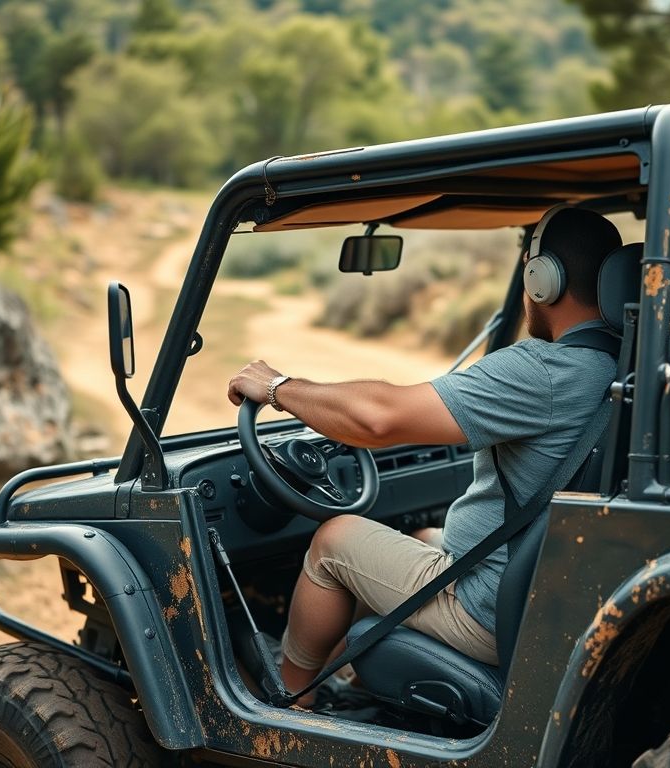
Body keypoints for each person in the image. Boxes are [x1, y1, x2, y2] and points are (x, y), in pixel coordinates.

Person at [227, 207, 622, 705]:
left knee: (333, 540)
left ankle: (287, 696)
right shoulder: (644, 364)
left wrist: (277, 386)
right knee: (420, 537)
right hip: (565, 594)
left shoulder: (547, 370)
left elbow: (379, 419)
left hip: (491, 608)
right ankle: (347, 678)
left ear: (543, 280)